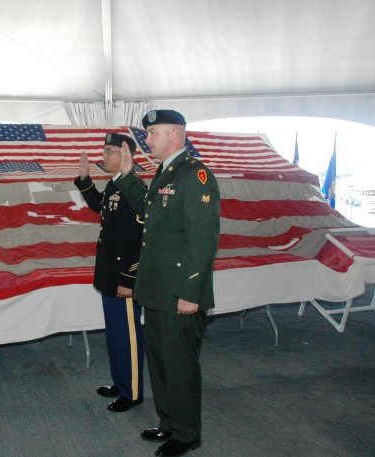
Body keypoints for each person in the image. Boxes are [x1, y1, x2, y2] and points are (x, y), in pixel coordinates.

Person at [114, 110, 221, 456]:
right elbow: (147, 212)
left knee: (180, 367)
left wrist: (191, 293)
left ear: (175, 133)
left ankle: (187, 434)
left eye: (154, 132)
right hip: (157, 289)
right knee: (160, 362)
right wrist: (128, 175)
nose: (148, 139)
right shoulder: (165, 173)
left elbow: (203, 239)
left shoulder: (195, 175)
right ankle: (169, 423)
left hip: (180, 293)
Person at [74, 133, 146, 412]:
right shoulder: (116, 185)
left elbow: (138, 239)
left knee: (128, 336)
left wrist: (129, 280)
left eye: (110, 151)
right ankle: (120, 383)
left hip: (123, 279)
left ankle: (133, 392)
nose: (104, 156)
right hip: (109, 275)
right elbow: (101, 206)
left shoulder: (135, 188)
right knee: (115, 335)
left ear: (126, 155)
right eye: (104, 150)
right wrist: (84, 180)